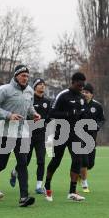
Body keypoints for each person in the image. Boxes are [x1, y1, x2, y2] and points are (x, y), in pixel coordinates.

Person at [0, 64, 40, 207]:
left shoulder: (29, 91)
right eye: (23, 75)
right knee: (1, 164)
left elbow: (29, 106)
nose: (25, 78)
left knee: (22, 163)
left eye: (27, 76)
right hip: (4, 132)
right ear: (16, 75)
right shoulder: (4, 90)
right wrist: (8, 115)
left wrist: (33, 114)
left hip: (21, 132)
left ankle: (24, 197)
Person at [44, 72, 88, 202]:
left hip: (75, 133)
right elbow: (51, 114)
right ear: (73, 82)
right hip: (61, 132)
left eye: (83, 85)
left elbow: (82, 114)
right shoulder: (62, 95)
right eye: (79, 85)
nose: (81, 88)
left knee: (77, 160)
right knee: (56, 161)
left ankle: (72, 192)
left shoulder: (81, 98)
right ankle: (47, 186)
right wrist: (68, 113)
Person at [9, 78, 51, 194]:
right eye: (39, 84)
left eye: (44, 84)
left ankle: (38, 186)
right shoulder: (29, 98)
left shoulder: (47, 101)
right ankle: (14, 172)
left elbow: (48, 117)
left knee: (41, 160)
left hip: (41, 135)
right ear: (34, 87)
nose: (42, 86)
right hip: (27, 133)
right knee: (25, 160)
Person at [80, 83, 105, 192]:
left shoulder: (97, 106)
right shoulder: (78, 104)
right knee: (84, 161)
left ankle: (81, 174)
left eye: (87, 92)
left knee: (90, 164)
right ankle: (85, 184)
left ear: (92, 94)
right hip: (79, 138)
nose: (84, 94)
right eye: (83, 92)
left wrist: (98, 126)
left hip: (91, 138)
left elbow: (102, 119)